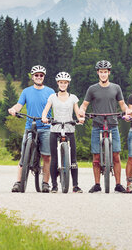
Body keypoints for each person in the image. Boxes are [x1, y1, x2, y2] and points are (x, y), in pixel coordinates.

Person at [78, 60, 132, 193]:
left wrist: (127, 111)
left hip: (113, 124)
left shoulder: (116, 88)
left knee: (116, 156)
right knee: (96, 156)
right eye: (101, 72)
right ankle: (97, 184)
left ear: (109, 73)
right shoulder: (92, 89)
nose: (103, 74)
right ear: (98, 73)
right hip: (97, 124)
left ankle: (118, 184)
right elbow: (84, 105)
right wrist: (81, 112)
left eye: (105, 72)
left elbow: (122, 104)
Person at [8, 65, 54, 193]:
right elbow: (19, 105)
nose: (39, 77)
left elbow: (57, 104)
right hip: (30, 127)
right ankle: (18, 182)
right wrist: (13, 110)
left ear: (44, 77)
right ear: (32, 77)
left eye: (41, 75)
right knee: (24, 155)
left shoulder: (50, 92)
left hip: (45, 127)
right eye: (36, 75)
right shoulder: (26, 91)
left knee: (46, 156)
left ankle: (45, 183)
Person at [41, 72, 85, 193]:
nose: (63, 84)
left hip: (69, 129)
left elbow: (77, 112)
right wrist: (44, 117)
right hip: (55, 129)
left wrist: (80, 118)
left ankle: (75, 185)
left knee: (73, 159)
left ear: (68, 84)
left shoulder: (73, 98)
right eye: (61, 82)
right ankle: (54, 185)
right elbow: (45, 110)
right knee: (54, 158)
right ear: (58, 83)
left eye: (65, 83)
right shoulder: (52, 97)